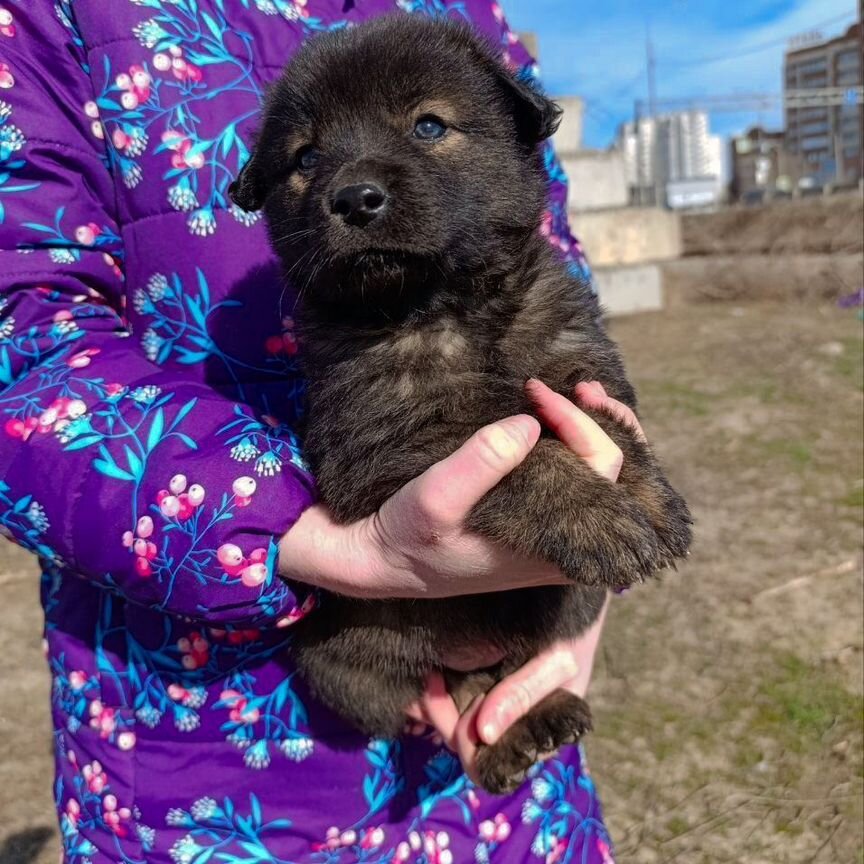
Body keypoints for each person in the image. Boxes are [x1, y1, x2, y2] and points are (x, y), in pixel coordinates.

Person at [0, 2, 640, 861]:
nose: (357, 182)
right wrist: (308, 540)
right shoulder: (50, 18)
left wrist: (575, 589)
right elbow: (21, 333)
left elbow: (546, 259)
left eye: (427, 125)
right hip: (204, 756)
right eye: (305, 161)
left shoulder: (456, 13)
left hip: (503, 779)